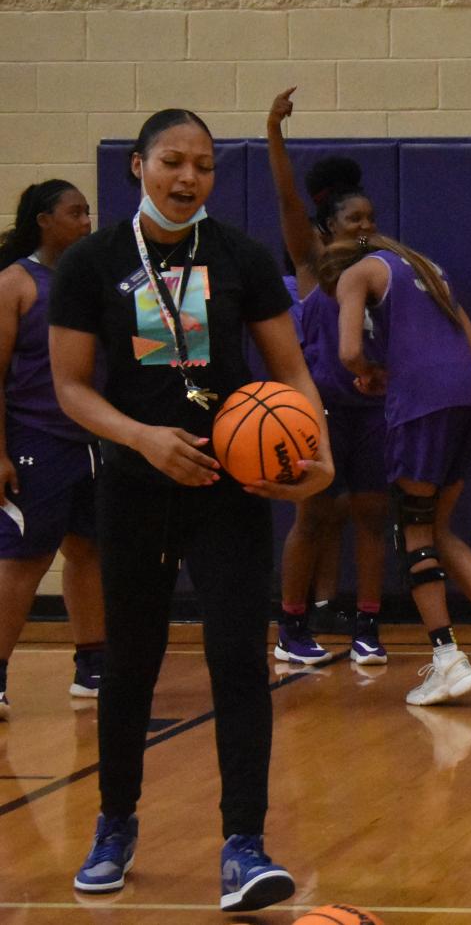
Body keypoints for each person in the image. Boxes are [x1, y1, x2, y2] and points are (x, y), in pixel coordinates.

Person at [52, 109, 332, 911]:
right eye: (172, 161)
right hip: (136, 486)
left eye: (203, 165)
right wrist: (142, 437)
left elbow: (293, 372)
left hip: (232, 490)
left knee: (239, 662)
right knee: (129, 662)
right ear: (137, 165)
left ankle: (244, 844)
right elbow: (72, 387)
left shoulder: (239, 255)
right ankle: (114, 822)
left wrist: (319, 453)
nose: (187, 178)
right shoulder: (91, 262)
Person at [317, 232, 471, 706]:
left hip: (421, 404)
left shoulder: (355, 275)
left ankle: (448, 660)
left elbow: (348, 352)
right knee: (438, 527)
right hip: (468, 401)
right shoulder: (429, 272)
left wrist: (375, 374)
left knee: (412, 531)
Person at [266, 88, 388, 667]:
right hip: (320, 411)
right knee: (313, 516)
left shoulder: (383, 270)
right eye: (353, 218)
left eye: (370, 218)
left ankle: (368, 625)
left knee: (371, 515)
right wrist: (273, 133)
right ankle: (291, 627)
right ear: (328, 225)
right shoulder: (313, 268)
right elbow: (289, 200)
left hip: (370, 412)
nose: (364, 226)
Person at [0, 181, 104, 718]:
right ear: (44, 219)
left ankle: (92, 666)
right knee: (26, 558)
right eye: (75, 212)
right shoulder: (15, 282)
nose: (86, 221)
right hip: (35, 439)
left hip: (92, 440)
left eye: (88, 212)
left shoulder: (91, 281)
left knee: (88, 552)